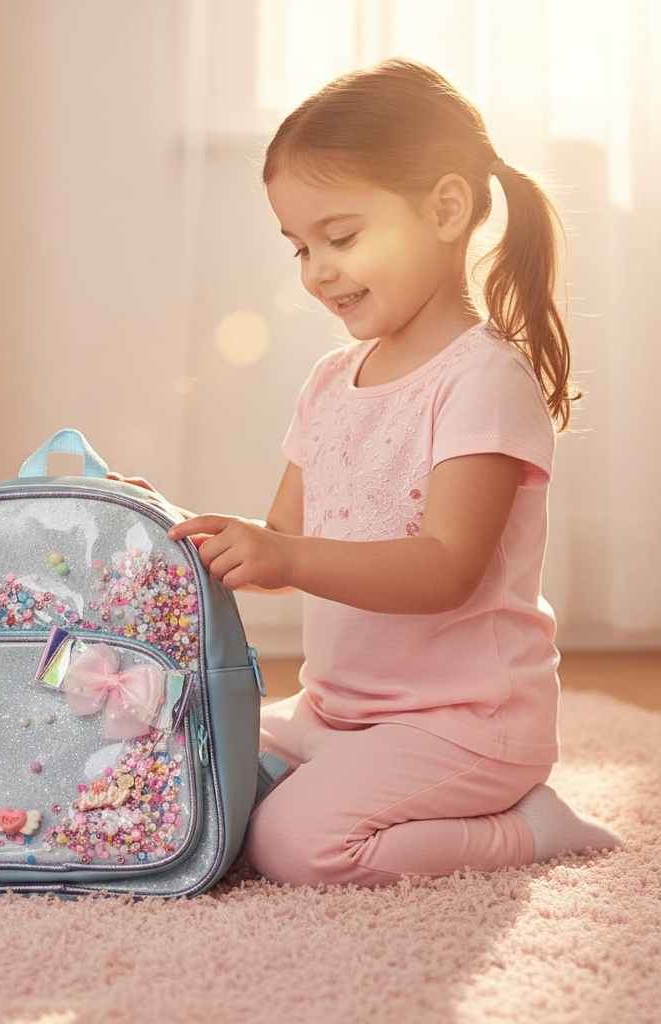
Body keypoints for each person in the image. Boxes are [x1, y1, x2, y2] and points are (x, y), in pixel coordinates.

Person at [156, 58, 622, 887]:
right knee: (182, 751)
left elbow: (446, 567)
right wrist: (195, 541)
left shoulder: (484, 380)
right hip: (335, 711)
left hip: (467, 725)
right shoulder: (331, 381)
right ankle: (310, 778)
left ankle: (529, 827)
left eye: (341, 237)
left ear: (446, 208)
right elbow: (286, 540)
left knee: (295, 848)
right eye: (300, 247)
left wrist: (285, 557)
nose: (317, 270)